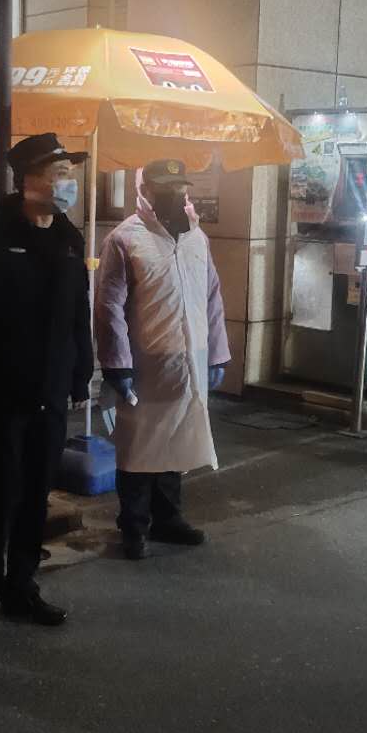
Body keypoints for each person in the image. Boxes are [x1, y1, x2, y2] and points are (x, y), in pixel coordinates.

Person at [0, 133, 93, 657]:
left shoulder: (69, 238)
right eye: (58, 174)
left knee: (35, 497)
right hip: (3, 393)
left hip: (51, 391)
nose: (67, 183)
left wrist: (82, 373)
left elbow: (78, 314)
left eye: (69, 174)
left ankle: (20, 588)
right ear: (28, 180)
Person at [94, 158, 230, 560]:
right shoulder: (125, 239)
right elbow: (109, 307)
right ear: (145, 190)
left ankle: (168, 519)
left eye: (179, 187)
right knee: (139, 447)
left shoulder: (196, 238)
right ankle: (134, 527)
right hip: (145, 362)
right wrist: (117, 364)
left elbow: (212, 297)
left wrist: (217, 353)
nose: (174, 194)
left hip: (191, 357)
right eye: (165, 188)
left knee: (177, 440)